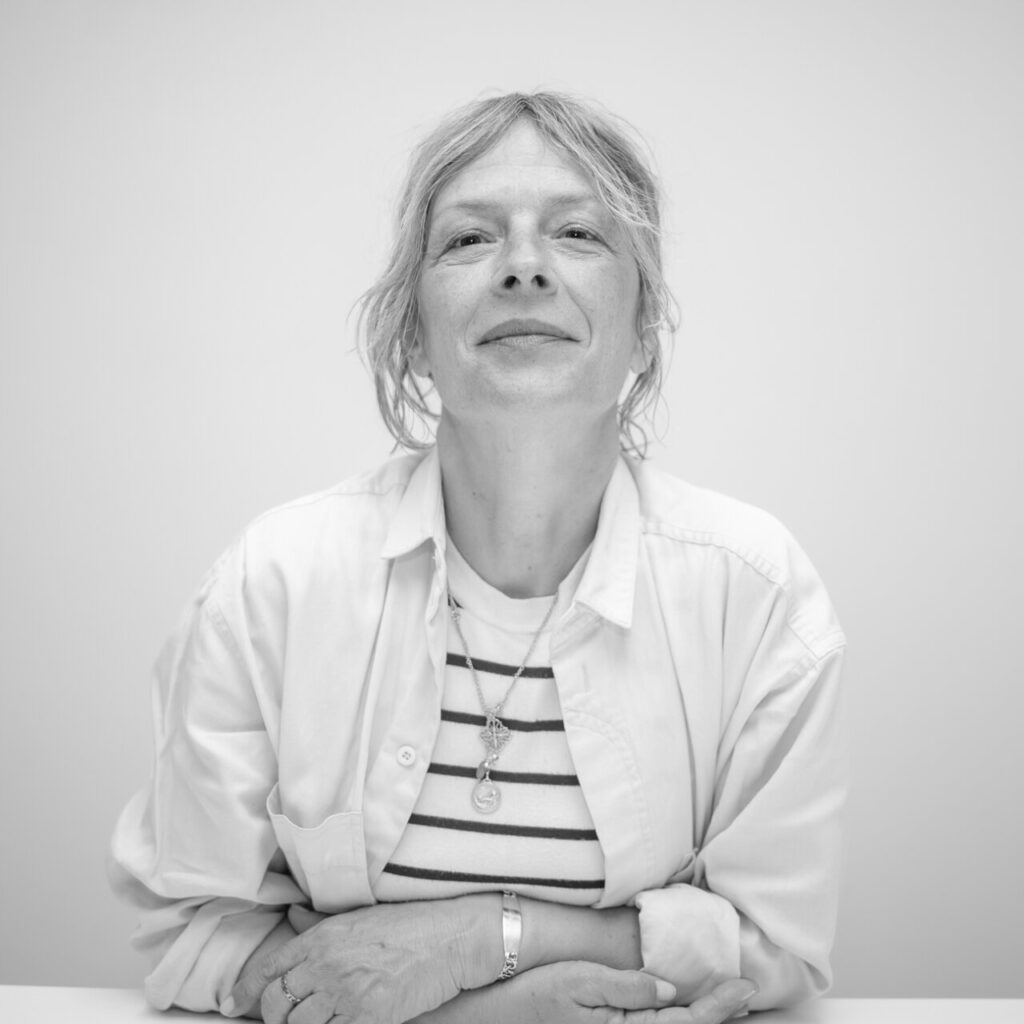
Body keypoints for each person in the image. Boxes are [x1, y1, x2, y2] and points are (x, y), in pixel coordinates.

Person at [109, 91, 847, 1023]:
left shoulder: (758, 596)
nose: (524, 269)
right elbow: (192, 929)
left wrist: (478, 940)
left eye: (578, 234)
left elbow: (773, 944)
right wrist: (498, 1010)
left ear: (644, 327)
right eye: (469, 239)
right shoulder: (273, 585)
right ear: (412, 331)